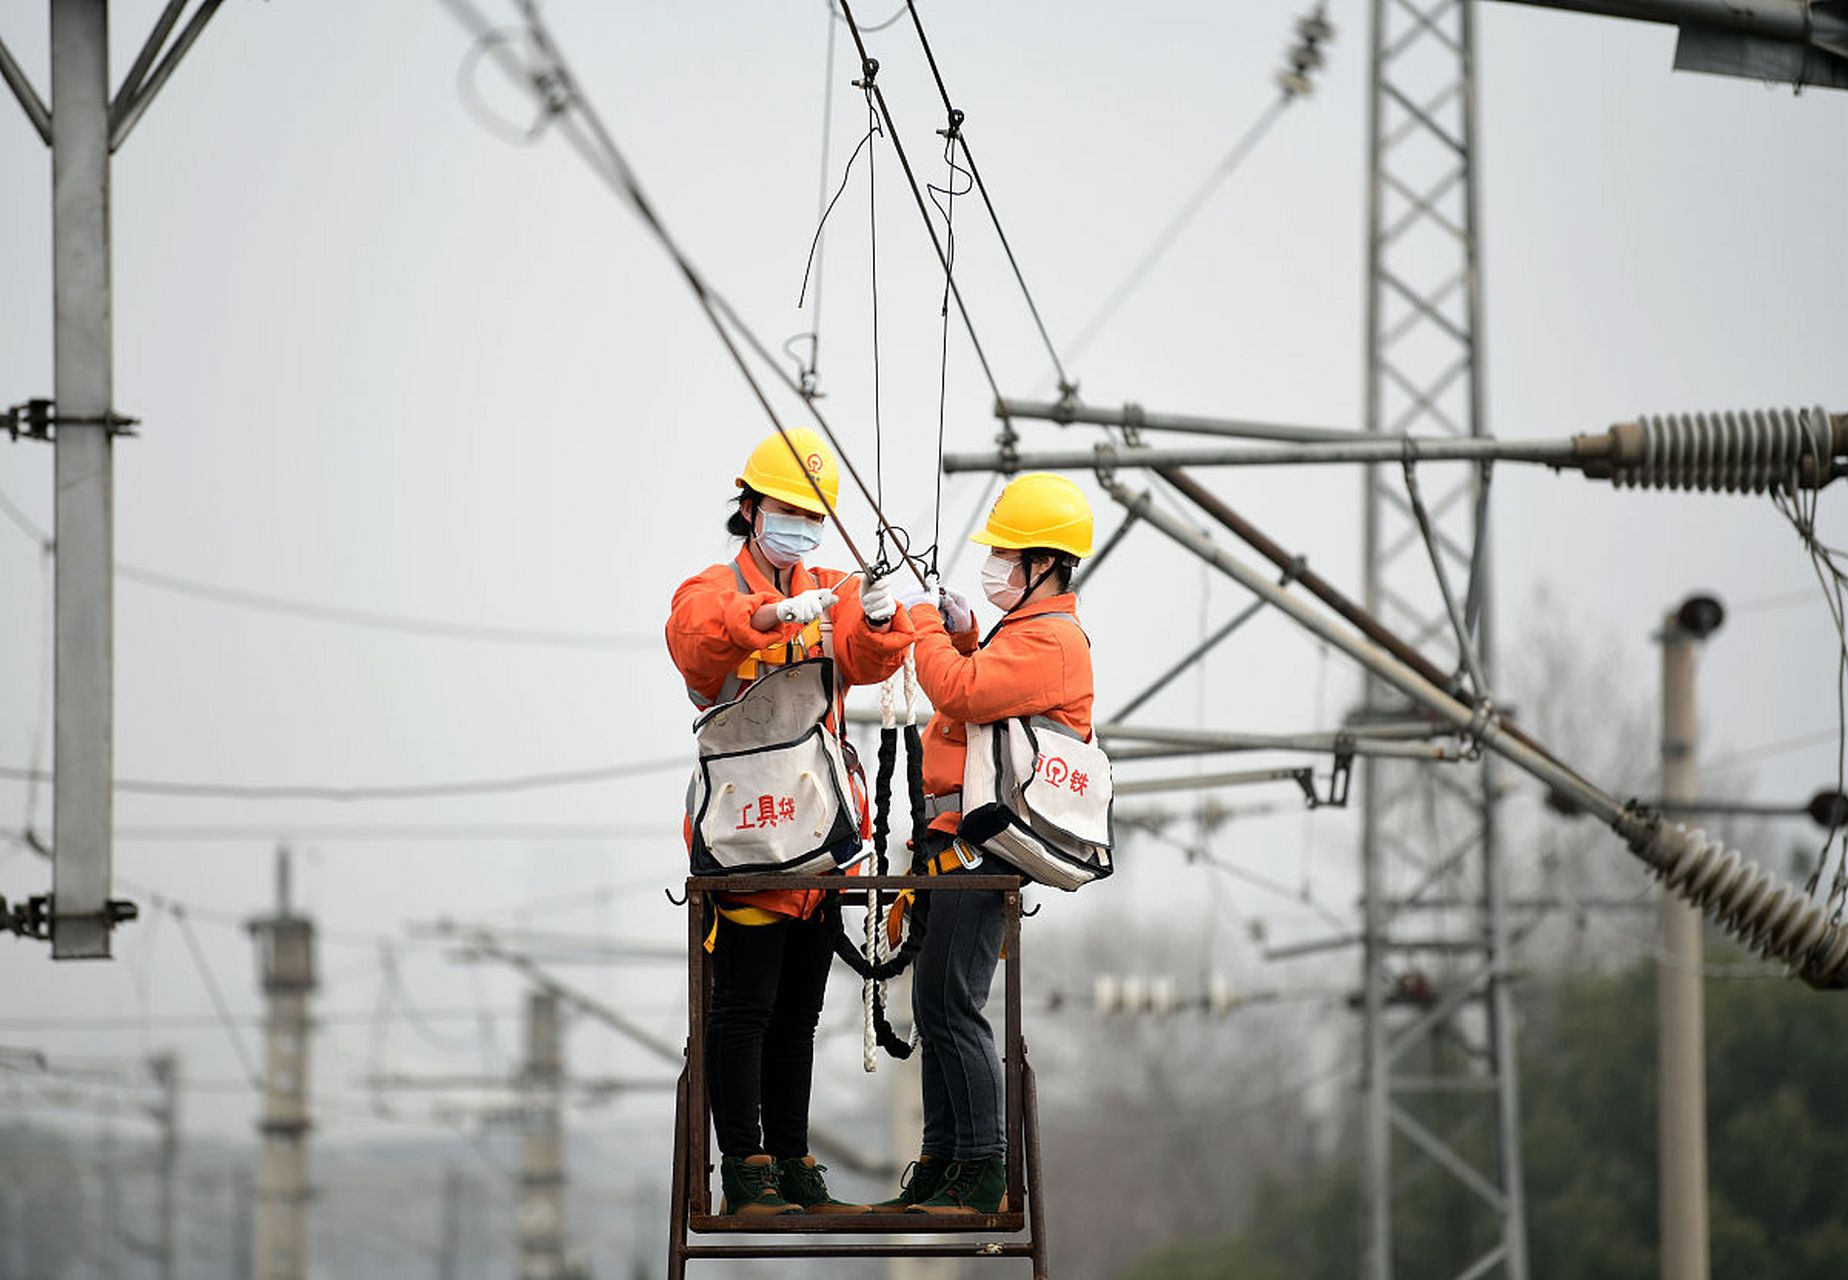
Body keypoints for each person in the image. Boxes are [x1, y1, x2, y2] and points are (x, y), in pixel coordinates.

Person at [666, 427, 914, 1216]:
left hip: (818, 835)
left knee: (798, 1013)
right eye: (787, 508)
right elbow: (697, 641)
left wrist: (879, 621)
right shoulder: (709, 589)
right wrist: (771, 615)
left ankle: (793, 1160)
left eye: (813, 513)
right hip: (745, 833)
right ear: (750, 507)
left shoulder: (833, 587)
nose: (799, 524)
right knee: (743, 1009)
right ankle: (746, 1167)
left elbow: (873, 661)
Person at [874, 473, 1095, 1215]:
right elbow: (981, 682)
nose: (995, 563)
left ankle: (983, 1168)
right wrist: (963, 632)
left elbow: (964, 694)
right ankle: (942, 1161)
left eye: (1007, 552)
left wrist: (926, 628)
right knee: (937, 1007)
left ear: (1044, 565)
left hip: (986, 849)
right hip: (957, 844)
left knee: (952, 1007)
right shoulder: (1026, 635)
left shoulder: (1053, 640)